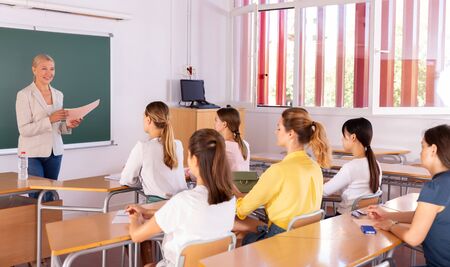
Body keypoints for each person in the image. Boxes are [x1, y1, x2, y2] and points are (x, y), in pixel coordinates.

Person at [126, 129, 236, 266]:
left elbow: (137, 236)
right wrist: (148, 212)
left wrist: (134, 218)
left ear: (194, 160)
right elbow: (194, 215)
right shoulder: (230, 199)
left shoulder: (184, 201)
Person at [234, 107, 332, 245]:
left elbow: (243, 209)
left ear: (291, 134)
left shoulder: (278, 171)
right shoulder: (315, 167)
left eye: (279, 128)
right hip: (307, 241)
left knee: (239, 234)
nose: (276, 132)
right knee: (250, 227)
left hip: (280, 240)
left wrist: (234, 192)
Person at [367, 124, 450, 267]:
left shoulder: (434, 188)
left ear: (433, 150)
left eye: (423, 146)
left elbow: (413, 238)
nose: (420, 152)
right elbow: (422, 216)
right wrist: (386, 214)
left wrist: (391, 226)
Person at [16, 54, 81, 201]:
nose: (49, 73)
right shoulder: (24, 94)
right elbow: (24, 129)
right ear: (34, 70)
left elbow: (58, 127)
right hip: (32, 154)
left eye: (52, 69)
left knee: (51, 195)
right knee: (37, 196)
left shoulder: (58, 94)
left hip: (55, 153)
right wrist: (49, 119)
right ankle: (37, 225)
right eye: (44, 68)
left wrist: (68, 125)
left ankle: (50, 224)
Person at [120, 101, 187, 203]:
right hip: (182, 204)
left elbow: (126, 179)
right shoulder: (178, 144)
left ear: (148, 120)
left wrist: (143, 179)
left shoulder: (142, 147)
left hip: (157, 206)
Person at [323, 118, 382, 215]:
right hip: (364, 218)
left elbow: (324, 192)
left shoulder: (350, 167)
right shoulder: (376, 164)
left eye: (344, 136)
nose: (342, 139)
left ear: (353, 137)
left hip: (344, 220)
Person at [214, 107, 250, 171]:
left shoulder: (222, 146)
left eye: (216, 120)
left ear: (224, 124)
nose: (214, 123)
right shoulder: (245, 144)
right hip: (243, 181)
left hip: (228, 180)